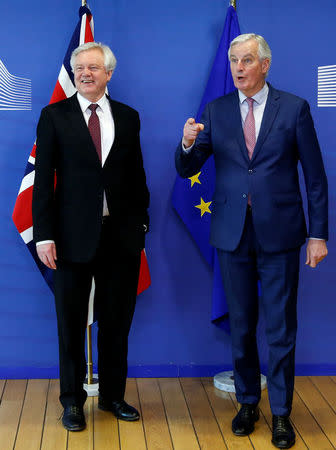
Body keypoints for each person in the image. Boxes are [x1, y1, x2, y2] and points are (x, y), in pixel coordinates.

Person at [175, 33, 328, 449]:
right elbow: (189, 164)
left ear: (265, 65)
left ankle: (280, 413)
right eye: (233, 60)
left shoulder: (294, 109)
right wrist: (187, 141)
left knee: (280, 328)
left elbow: (314, 178)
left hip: (281, 234)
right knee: (241, 326)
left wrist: (317, 234)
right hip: (231, 234)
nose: (238, 68)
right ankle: (247, 402)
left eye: (246, 60)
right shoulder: (217, 109)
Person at [32, 42, 150, 431]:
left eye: (94, 67)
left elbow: (137, 177)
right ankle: (72, 402)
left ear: (108, 74)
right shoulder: (54, 116)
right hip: (68, 240)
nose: (85, 73)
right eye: (79, 67)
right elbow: (42, 184)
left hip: (121, 240)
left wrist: (141, 225)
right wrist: (44, 235)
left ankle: (113, 396)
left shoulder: (129, 118)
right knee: (69, 323)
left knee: (117, 323)